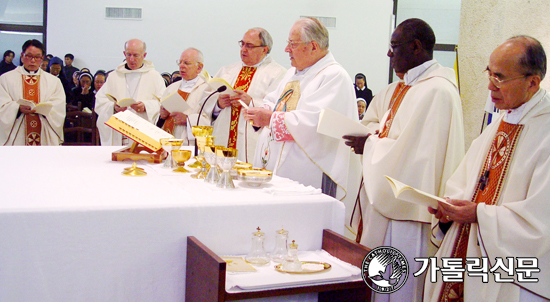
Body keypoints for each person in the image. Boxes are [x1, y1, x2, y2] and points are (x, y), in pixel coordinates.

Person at [343, 18, 465, 302]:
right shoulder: (404, 87)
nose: (389, 54)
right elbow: (382, 128)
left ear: (416, 46)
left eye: (394, 46)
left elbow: (414, 156)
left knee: (400, 287)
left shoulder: (437, 91)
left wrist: (369, 144)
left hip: (409, 212)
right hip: (386, 203)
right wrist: (370, 137)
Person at [425, 36, 550, 302]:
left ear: (533, 82)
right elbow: (466, 182)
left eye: (500, 78)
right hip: (468, 253)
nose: (490, 86)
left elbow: (541, 222)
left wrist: (478, 215)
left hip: (516, 278)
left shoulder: (545, 132)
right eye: (489, 74)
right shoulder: (501, 122)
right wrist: (449, 210)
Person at [245, 17, 358, 199]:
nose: (286, 50)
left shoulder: (334, 76)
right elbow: (274, 99)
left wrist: (270, 118)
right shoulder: (294, 72)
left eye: (292, 44)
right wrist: (261, 109)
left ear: (313, 46)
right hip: (278, 170)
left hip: (309, 173)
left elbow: (316, 123)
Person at [203, 27, 286, 162]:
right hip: (223, 138)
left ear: (265, 49)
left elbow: (279, 108)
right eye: (242, 44)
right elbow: (205, 102)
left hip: (252, 141)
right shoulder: (227, 71)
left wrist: (251, 102)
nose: (243, 49)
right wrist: (218, 104)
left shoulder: (278, 74)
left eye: (250, 46)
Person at [94, 39, 164, 146]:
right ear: (124, 53)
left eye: (136, 55)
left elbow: (163, 103)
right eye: (128, 54)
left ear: (144, 55)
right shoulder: (114, 76)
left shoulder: (154, 77)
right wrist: (113, 107)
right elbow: (100, 102)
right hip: (119, 133)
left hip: (143, 134)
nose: (131, 59)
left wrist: (146, 106)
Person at [0, 39, 66, 145]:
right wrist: (17, 108)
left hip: (44, 131)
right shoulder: (6, 79)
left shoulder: (54, 81)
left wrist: (44, 108)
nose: (33, 60)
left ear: (42, 58)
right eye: (29, 56)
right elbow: (2, 106)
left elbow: (59, 107)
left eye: (37, 57)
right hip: (17, 135)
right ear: (22, 56)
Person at [156, 48, 210, 144]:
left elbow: (210, 122)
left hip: (188, 145)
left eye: (186, 63)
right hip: (165, 142)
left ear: (199, 67)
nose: (181, 66)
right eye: (180, 62)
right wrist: (162, 116)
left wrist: (188, 120)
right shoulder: (171, 88)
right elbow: (159, 119)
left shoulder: (207, 90)